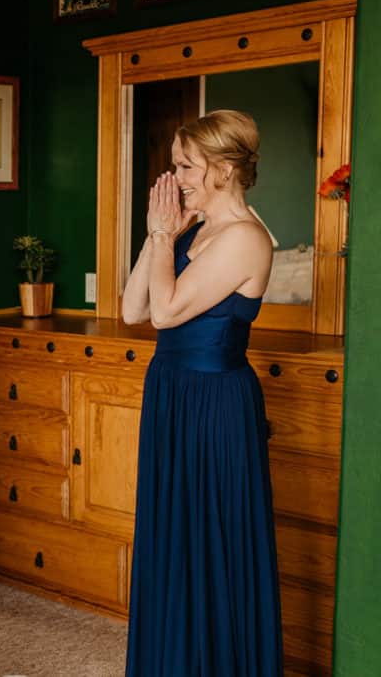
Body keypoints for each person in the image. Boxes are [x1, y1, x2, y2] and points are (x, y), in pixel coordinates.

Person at [122, 109, 282, 676]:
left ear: (223, 167)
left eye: (186, 165)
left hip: (214, 404)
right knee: (174, 540)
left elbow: (165, 312)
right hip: (173, 393)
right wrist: (159, 234)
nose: (176, 178)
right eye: (176, 165)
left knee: (212, 540)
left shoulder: (245, 238)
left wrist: (166, 235)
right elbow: (132, 307)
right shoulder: (200, 229)